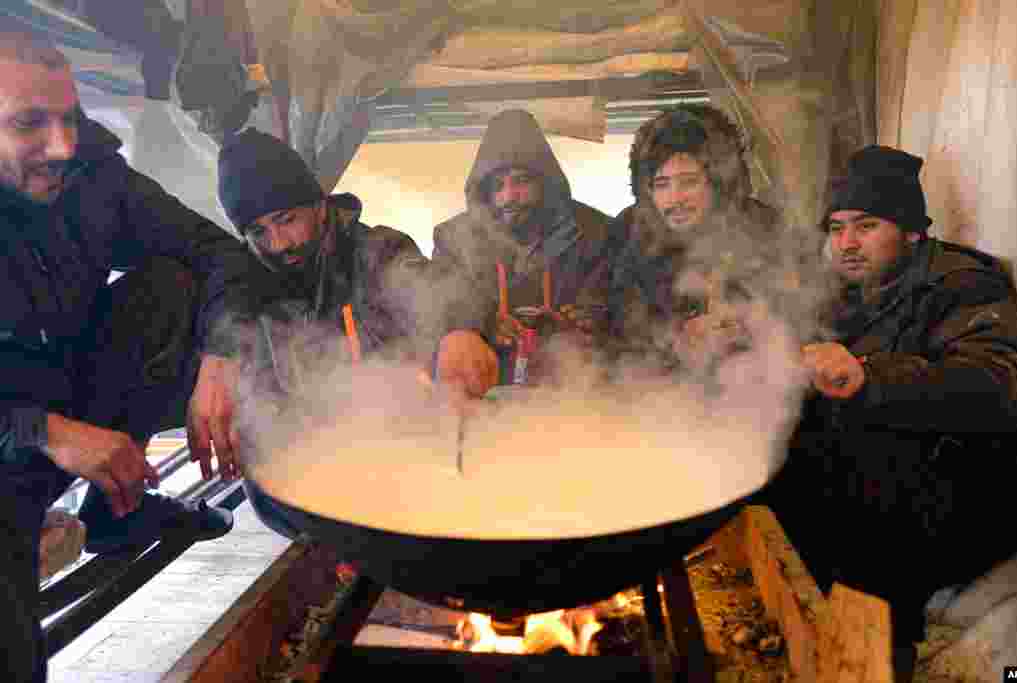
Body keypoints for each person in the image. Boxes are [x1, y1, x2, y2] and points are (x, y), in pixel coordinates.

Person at [0, 30, 253, 682]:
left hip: (67, 407)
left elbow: (218, 252)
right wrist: (48, 432)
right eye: (30, 124)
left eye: (70, 118)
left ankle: (116, 510)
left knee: (172, 282)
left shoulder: (94, 177)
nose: (61, 146)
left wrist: (219, 363)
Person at [779, 145, 1017, 678]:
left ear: (912, 231)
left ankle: (883, 654)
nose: (846, 243)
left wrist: (869, 374)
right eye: (837, 227)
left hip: (949, 496)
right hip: (868, 483)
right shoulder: (842, 290)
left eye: (866, 225)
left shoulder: (961, 283)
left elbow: (1000, 385)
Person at [214, 127, 490, 536]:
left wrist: (459, 329)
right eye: (257, 232)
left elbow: (440, 291)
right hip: (317, 469)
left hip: (408, 445)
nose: (277, 244)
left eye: (286, 220)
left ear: (320, 206)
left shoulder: (377, 252)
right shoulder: (244, 284)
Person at [431, 109, 614, 390]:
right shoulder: (454, 239)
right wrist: (484, 323)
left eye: (521, 181)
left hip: (575, 386)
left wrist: (587, 319)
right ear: (484, 192)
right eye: (498, 185)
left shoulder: (595, 232)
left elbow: (614, 303)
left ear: (545, 182)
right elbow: (443, 304)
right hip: (487, 386)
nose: (509, 197)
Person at [606, 103, 783, 378]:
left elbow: (803, 323)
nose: (674, 199)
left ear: (719, 182)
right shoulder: (634, 241)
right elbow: (619, 341)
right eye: (662, 184)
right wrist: (675, 338)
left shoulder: (767, 232)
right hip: (669, 402)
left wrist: (747, 331)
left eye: (688, 182)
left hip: (756, 399)